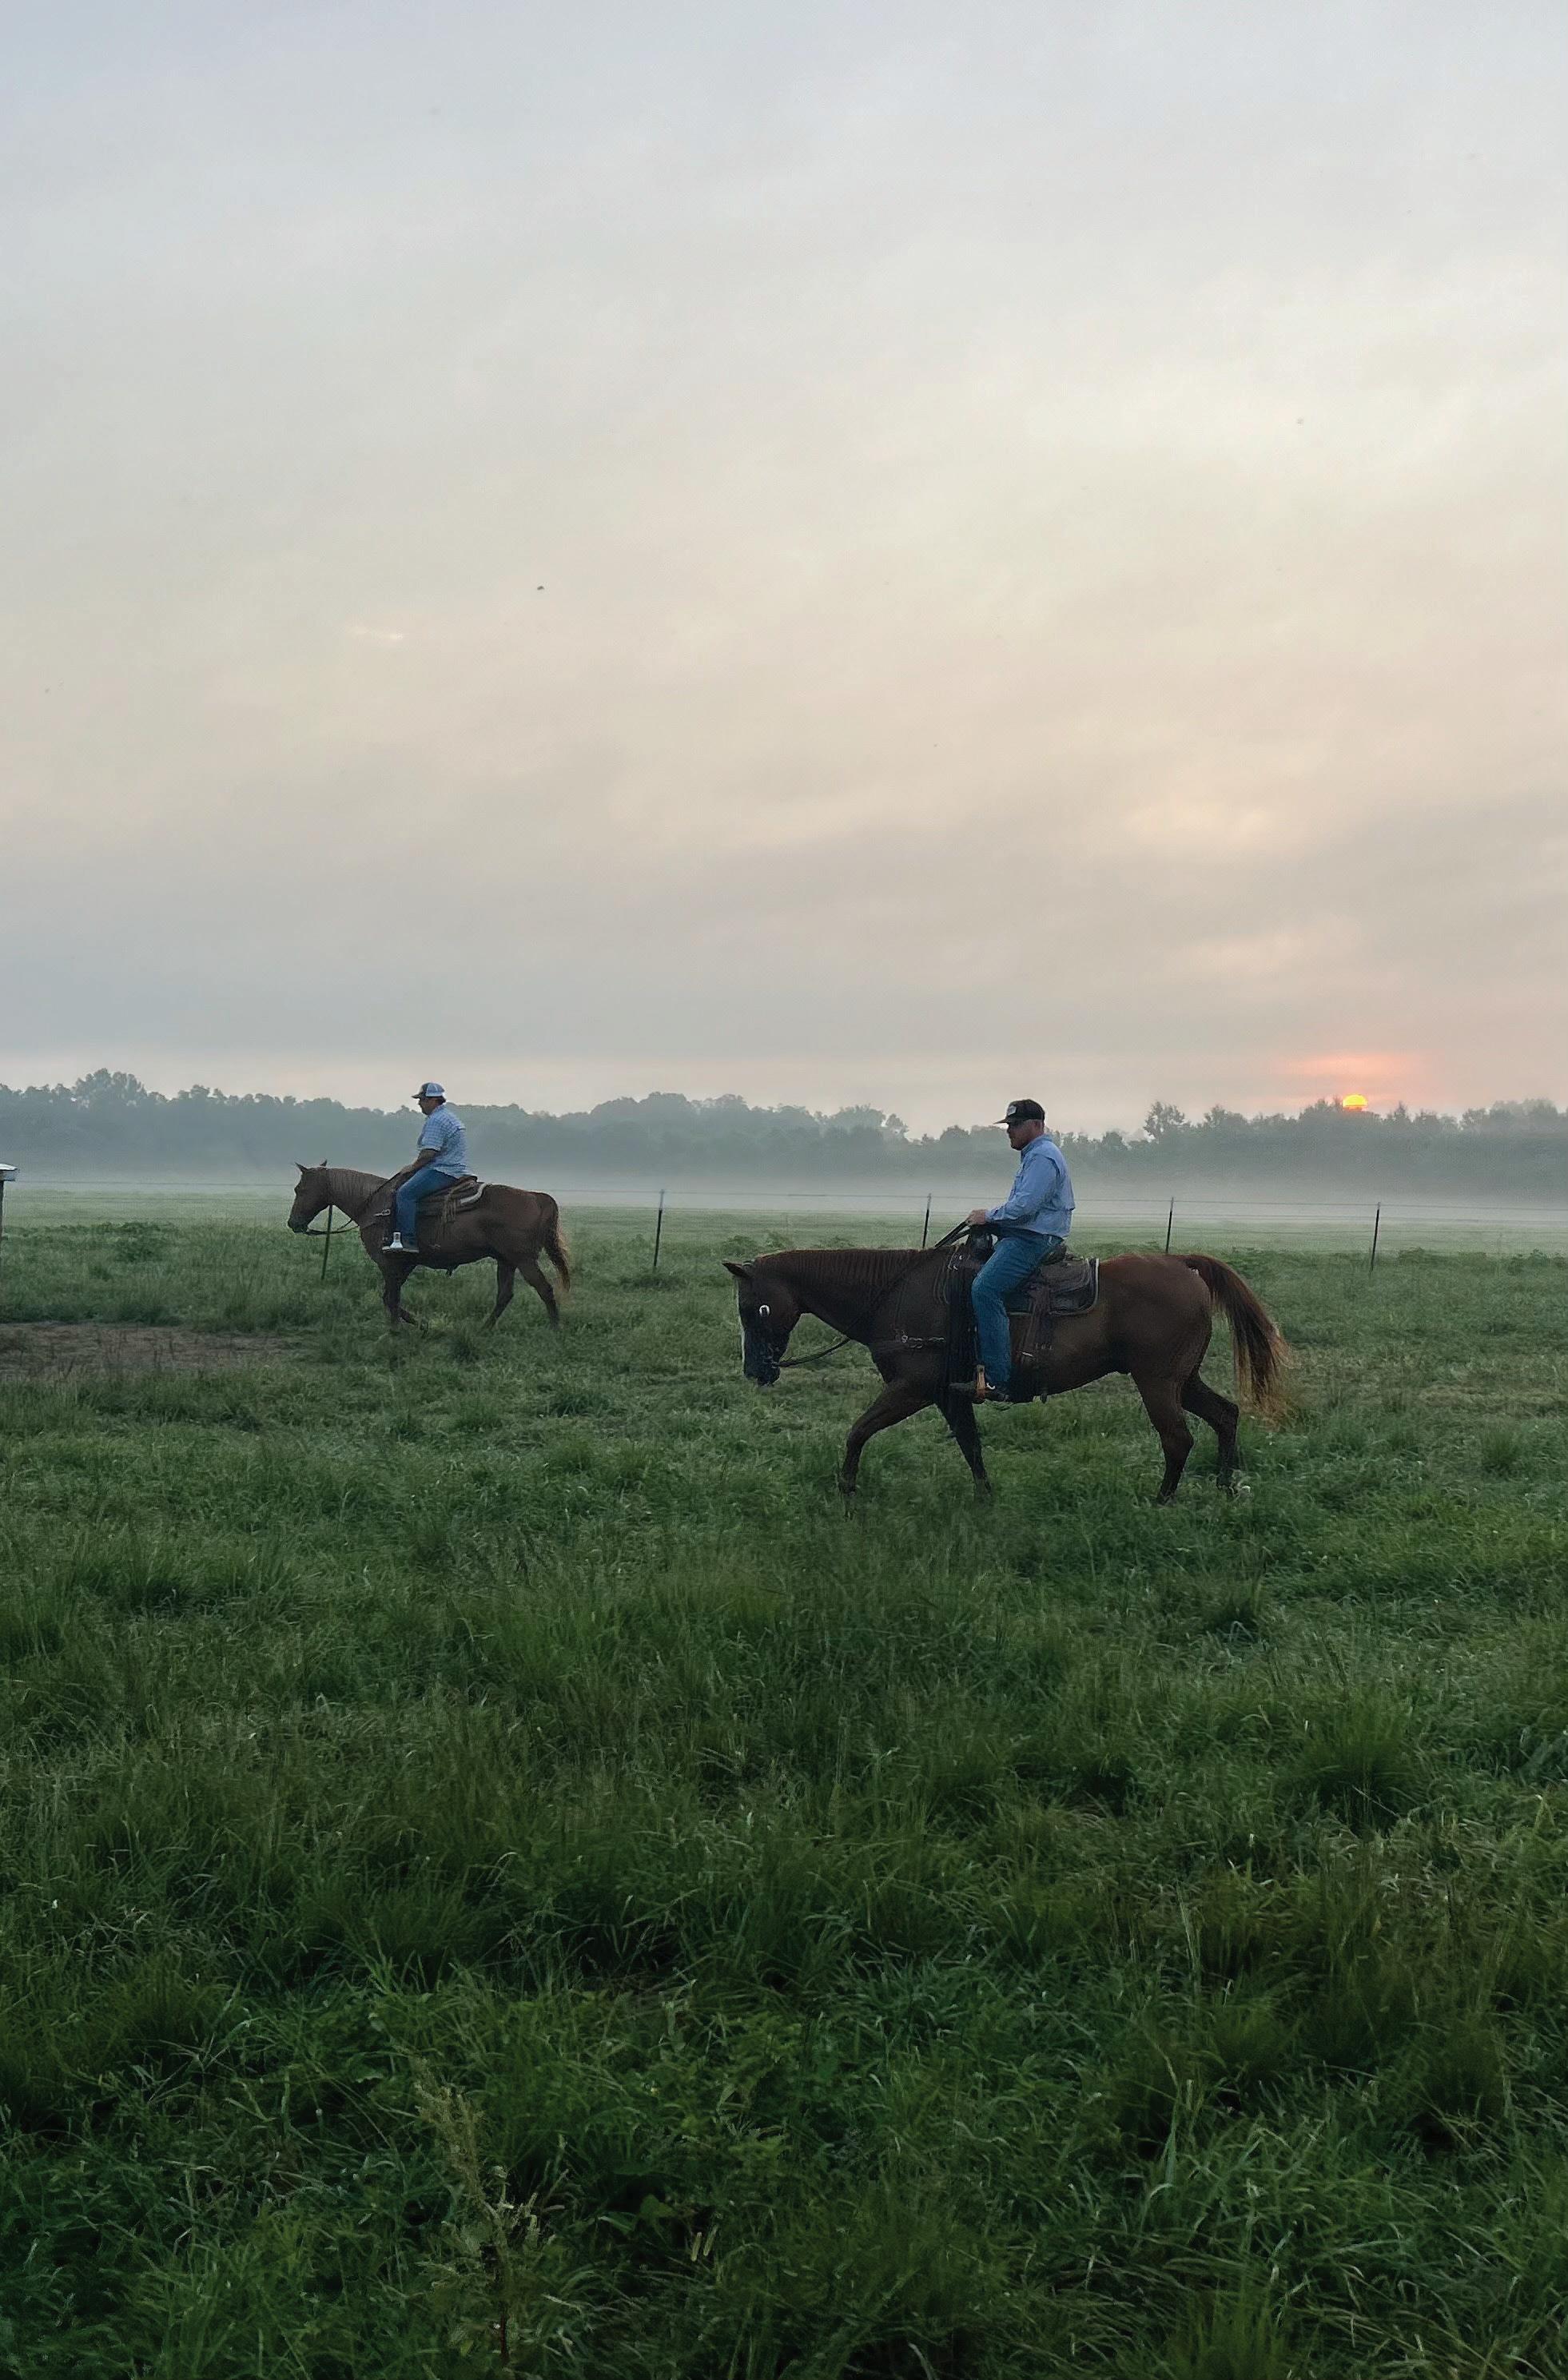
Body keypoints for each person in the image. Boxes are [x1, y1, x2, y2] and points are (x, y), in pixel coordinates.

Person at [950, 1097, 1074, 1403]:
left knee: (985, 1289)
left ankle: (997, 1379)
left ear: (1037, 1125)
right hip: (1027, 1234)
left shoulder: (1042, 1157)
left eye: (1016, 1125)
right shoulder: (1034, 1155)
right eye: (1008, 1125)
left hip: (1033, 1239)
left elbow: (1025, 1207)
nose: (1010, 1130)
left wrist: (987, 1216)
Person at [383, 1083, 471, 1255]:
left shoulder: (436, 1121)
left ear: (433, 1100)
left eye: (422, 1099)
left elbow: (429, 1153)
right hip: (456, 1168)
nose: (419, 1103)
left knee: (405, 1194)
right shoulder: (448, 1116)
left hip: (442, 1170)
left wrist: (411, 1168)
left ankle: (407, 1241)